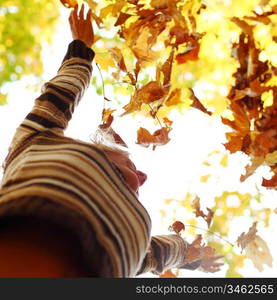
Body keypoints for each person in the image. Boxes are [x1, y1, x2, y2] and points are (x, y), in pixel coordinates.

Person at [0, 4, 199, 277]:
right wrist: (82, 47)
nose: (142, 177)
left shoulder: (30, 144)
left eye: (130, 167)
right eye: (130, 166)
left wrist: (192, 255)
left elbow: (163, 253)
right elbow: (158, 254)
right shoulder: (36, 145)